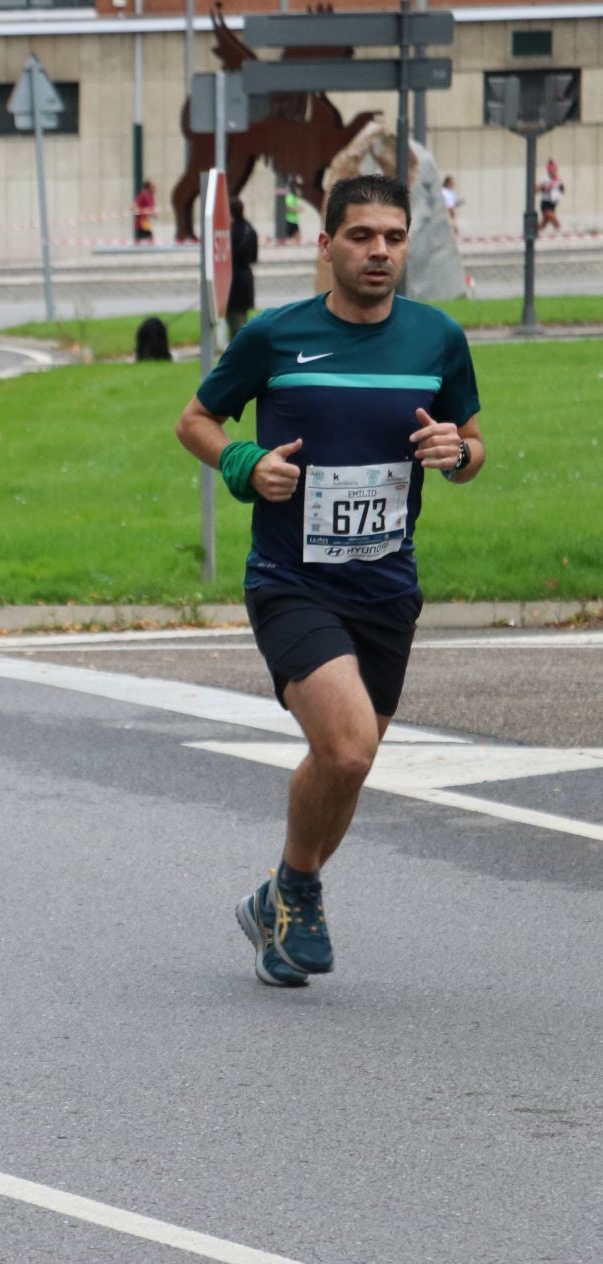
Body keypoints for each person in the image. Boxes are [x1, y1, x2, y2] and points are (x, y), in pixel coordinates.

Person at [174, 174, 485, 988]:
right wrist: (244, 464)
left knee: (352, 759)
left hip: (386, 582)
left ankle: (278, 895)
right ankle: (301, 892)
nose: (378, 251)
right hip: (291, 578)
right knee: (346, 747)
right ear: (326, 244)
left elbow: (472, 444)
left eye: (392, 237)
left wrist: (457, 455)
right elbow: (196, 421)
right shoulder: (277, 338)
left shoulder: (436, 339)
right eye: (360, 236)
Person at [227, 196, 259, 337]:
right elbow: (253, 257)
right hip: (246, 277)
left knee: (235, 320)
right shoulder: (250, 229)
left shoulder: (232, 232)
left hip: (233, 278)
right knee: (241, 316)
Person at [538, 159, 564, 234]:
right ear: (549, 170)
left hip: (553, 203)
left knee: (544, 222)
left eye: (556, 170)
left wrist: (560, 189)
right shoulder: (544, 178)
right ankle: (558, 228)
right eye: (553, 170)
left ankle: (534, 231)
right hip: (545, 202)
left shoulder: (557, 179)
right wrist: (545, 187)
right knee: (552, 218)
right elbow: (536, 188)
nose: (555, 171)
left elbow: (562, 189)